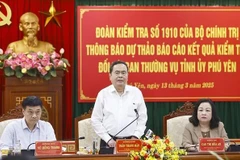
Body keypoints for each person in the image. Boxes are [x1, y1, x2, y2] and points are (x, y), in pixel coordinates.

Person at [91, 60, 148, 154]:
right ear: (110, 76)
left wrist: (136, 136)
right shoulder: (103, 94)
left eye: (123, 73)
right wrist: (108, 139)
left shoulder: (136, 93)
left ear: (127, 75)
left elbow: (142, 118)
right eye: (117, 73)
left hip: (131, 142)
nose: (120, 76)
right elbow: (95, 120)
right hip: (109, 142)